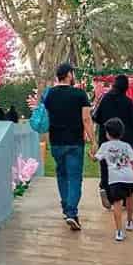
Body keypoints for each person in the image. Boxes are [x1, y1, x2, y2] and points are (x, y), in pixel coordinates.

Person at [41, 62, 92, 231]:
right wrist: (93, 141)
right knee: (75, 178)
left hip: (56, 141)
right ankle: (71, 212)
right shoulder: (79, 94)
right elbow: (86, 119)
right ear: (69, 75)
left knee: (62, 175)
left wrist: (48, 141)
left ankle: (66, 209)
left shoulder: (49, 95)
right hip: (75, 142)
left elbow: (46, 119)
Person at [91, 75, 133, 204]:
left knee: (106, 165)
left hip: (106, 138)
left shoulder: (104, 98)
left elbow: (95, 116)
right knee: (124, 166)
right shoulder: (128, 102)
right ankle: (123, 197)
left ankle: (106, 189)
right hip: (125, 140)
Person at [95, 117, 133, 242]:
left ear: (108, 133)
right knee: (130, 198)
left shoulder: (104, 146)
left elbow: (96, 159)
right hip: (129, 178)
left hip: (115, 180)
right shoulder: (126, 146)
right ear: (121, 132)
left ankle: (119, 231)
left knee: (117, 203)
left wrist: (91, 155)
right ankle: (130, 221)